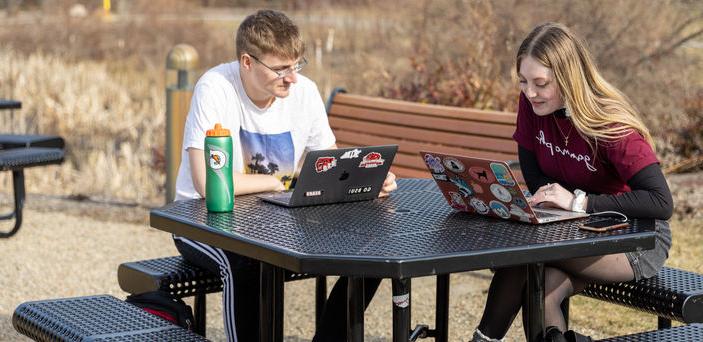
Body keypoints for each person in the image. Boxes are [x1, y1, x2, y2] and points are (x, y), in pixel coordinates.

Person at [172, 10, 397, 342]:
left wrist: (366, 178)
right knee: (247, 260)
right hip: (201, 220)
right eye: (280, 69)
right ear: (246, 62)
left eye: (296, 65)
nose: (292, 78)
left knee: (369, 249)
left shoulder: (304, 91)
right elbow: (209, 185)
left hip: (276, 217)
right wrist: (282, 181)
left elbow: (331, 160)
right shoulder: (216, 87)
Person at [470, 22, 673, 342]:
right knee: (541, 287)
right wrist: (553, 206)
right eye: (523, 81)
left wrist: (578, 203)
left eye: (540, 83)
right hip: (571, 229)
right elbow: (536, 177)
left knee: (524, 255)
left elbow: (661, 202)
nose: (529, 92)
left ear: (568, 79)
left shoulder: (611, 125)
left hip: (633, 239)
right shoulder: (532, 105)